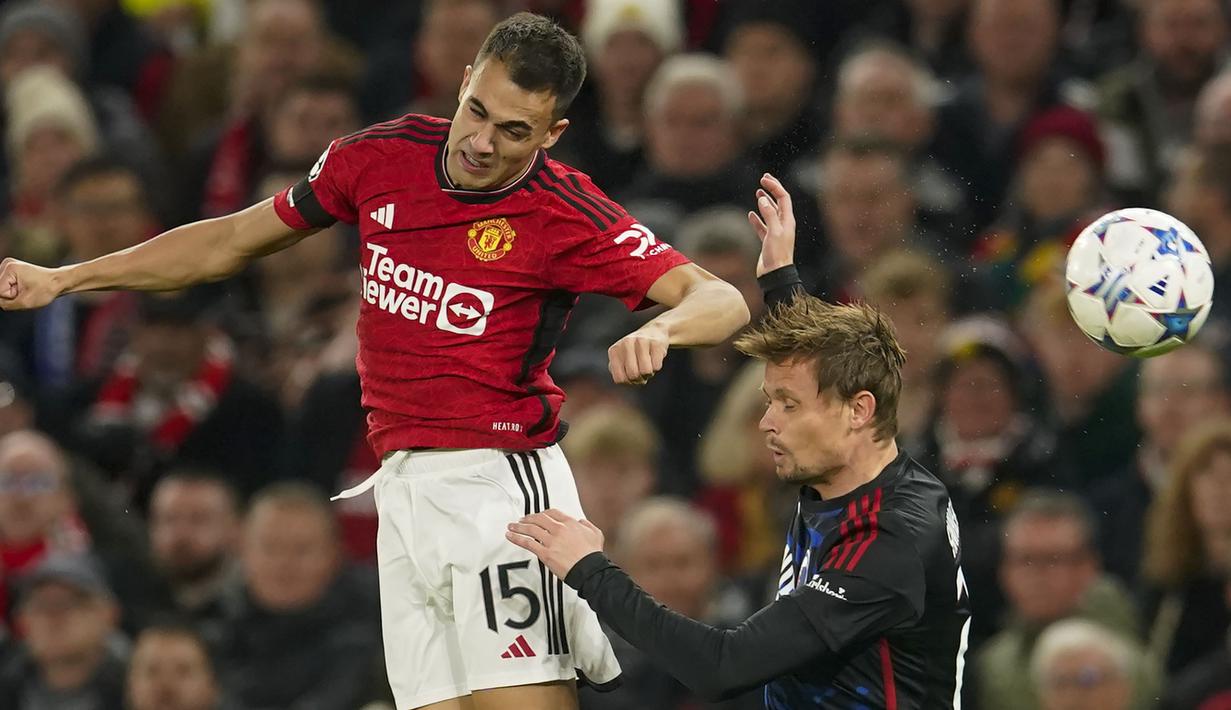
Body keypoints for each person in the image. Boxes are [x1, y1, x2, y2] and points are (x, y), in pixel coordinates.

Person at [0, 12, 750, 710]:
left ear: (551, 134)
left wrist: (667, 329)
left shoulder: (564, 213)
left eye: (514, 131)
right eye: (478, 111)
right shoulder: (379, 156)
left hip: (499, 491)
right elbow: (228, 241)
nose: (483, 141)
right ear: (463, 82)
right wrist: (66, 278)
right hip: (403, 491)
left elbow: (718, 298)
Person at [509, 176, 972, 706]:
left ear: (859, 410)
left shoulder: (888, 544)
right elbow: (820, 375)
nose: (766, 423)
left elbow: (723, 667)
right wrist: (781, 281)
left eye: (787, 406)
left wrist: (592, 571)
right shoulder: (866, 465)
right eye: (771, 401)